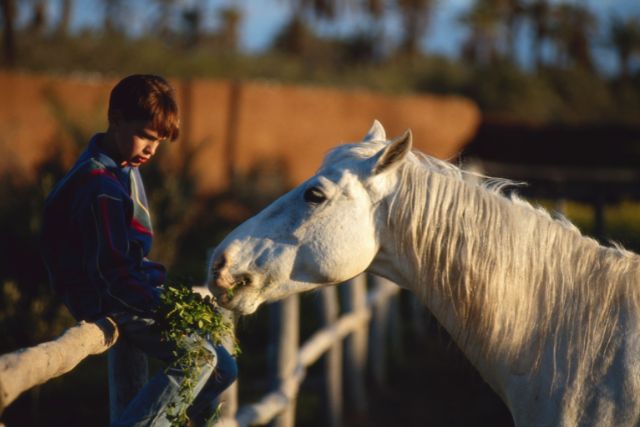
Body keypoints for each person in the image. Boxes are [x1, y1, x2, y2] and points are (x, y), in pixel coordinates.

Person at [41, 74, 237, 427]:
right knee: (198, 360)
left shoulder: (123, 167)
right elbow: (111, 273)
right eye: (145, 136)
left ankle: (166, 421)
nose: (151, 149)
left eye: (158, 141)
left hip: (131, 288)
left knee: (225, 367)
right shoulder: (98, 185)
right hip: (107, 297)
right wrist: (157, 304)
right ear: (115, 120)